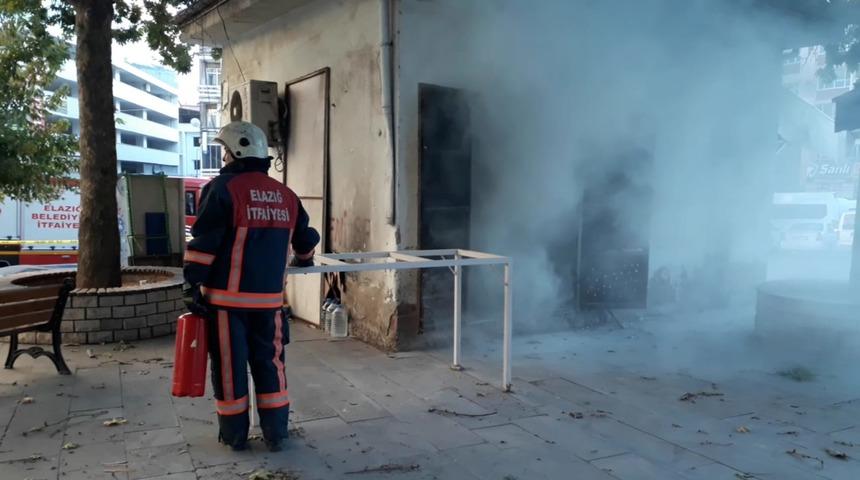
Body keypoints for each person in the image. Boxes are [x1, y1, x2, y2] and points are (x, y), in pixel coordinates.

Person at [182, 121, 319, 452]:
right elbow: (306, 242)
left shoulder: (221, 189)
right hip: (270, 304)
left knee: (230, 369)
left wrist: (191, 284)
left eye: (225, 151)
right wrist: (304, 259)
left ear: (236, 151)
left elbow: (205, 242)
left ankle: (234, 435)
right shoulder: (286, 195)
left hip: (227, 305)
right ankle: (275, 432)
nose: (224, 157)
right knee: (271, 365)